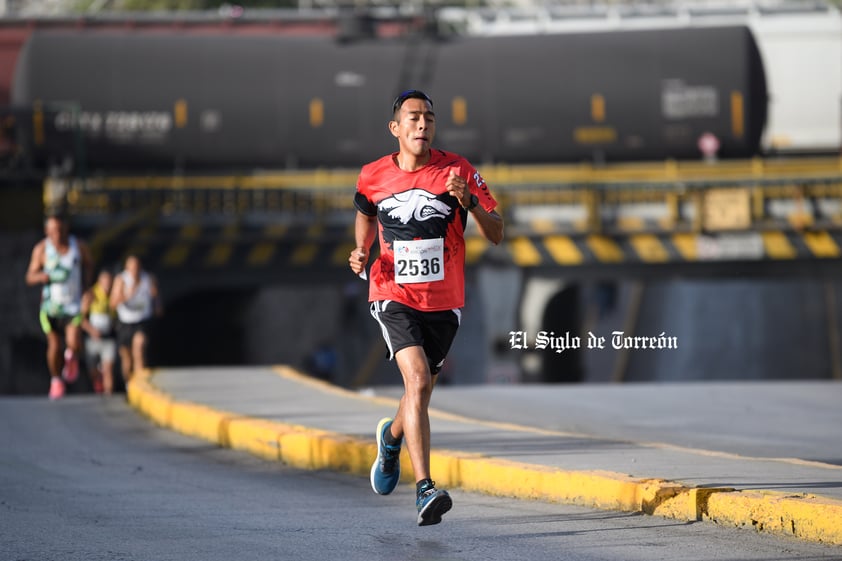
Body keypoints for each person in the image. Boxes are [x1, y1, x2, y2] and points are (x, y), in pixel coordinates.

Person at [348, 89, 504, 526]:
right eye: (413, 118)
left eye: (429, 118)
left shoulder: (458, 171)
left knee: (421, 392)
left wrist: (469, 203)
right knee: (416, 380)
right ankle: (424, 489)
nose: (422, 124)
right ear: (395, 128)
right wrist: (361, 250)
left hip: (444, 302)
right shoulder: (373, 174)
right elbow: (364, 210)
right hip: (392, 293)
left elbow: (497, 233)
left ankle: (391, 438)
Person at [25, 214, 94, 400]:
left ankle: (71, 358)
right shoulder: (42, 250)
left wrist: (87, 288)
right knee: (54, 345)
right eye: (53, 230)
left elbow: (89, 266)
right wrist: (41, 277)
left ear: (66, 228)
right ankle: (56, 380)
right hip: (50, 308)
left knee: (73, 342)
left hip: (73, 306)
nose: (57, 234)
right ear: (47, 231)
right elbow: (29, 276)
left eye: (60, 229)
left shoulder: (78, 247)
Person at [110, 254, 162, 381]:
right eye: (131, 267)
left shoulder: (148, 278)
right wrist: (128, 295)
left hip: (142, 321)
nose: (134, 270)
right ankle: (129, 384)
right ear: (126, 267)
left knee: (139, 349)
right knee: (127, 359)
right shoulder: (121, 280)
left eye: (137, 266)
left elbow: (156, 298)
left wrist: (156, 302)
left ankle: (141, 383)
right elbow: (112, 304)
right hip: (125, 322)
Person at [81, 269, 118, 395]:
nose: (107, 285)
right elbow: (80, 318)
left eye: (109, 282)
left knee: (108, 369)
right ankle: (98, 383)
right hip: (93, 339)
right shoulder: (91, 295)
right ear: (99, 281)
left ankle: (109, 396)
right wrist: (91, 330)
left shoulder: (115, 295)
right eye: (105, 282)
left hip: (108, 338)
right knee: (93, 371)